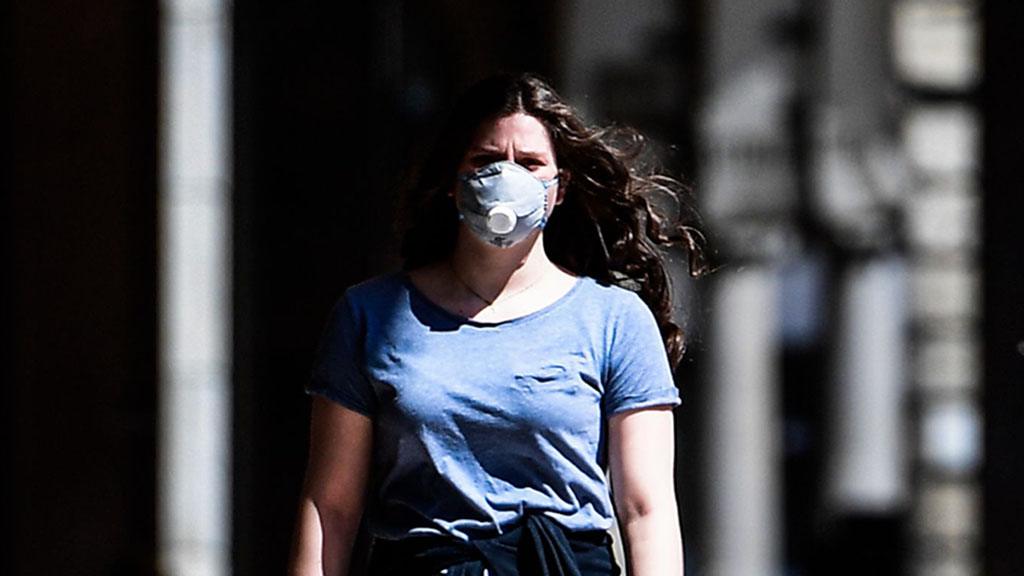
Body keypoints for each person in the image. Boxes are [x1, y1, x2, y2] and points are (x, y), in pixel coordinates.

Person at [288, 72, 708, 576]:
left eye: (530, 164)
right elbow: (330, 508)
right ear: (452, 180)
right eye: (487, 161)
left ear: (559, 189)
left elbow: (647, 510)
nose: (507, 178)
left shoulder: (614, 320)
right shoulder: (369, 314)